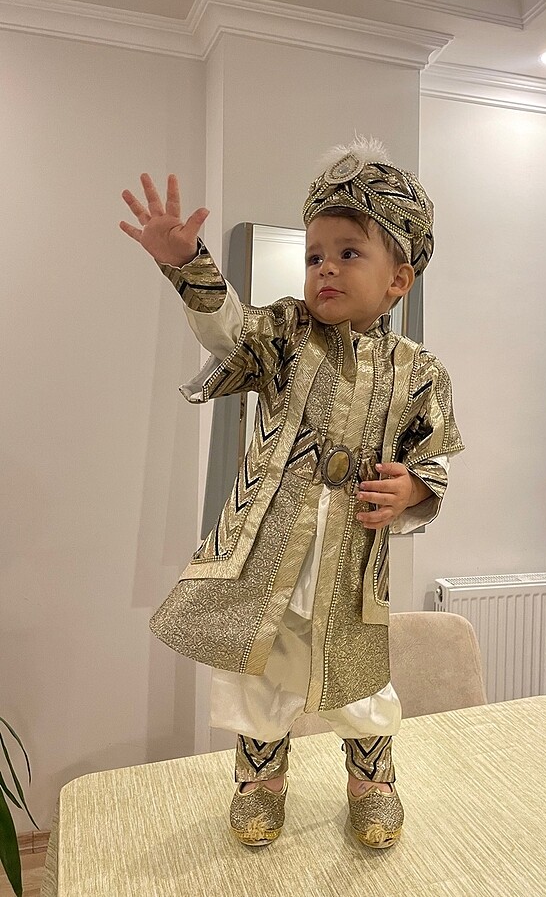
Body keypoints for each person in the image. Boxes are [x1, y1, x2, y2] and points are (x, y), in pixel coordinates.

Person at [119, 136, 463, 849]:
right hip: (268, 548)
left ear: (399, 279)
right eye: (314, 256)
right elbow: (227, 331)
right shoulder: (283, 334)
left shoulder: (421, 371)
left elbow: (433, 460)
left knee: (359, 678)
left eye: (348, 253)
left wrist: (412, 490)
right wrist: (186, 263)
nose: (325, 268)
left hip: (354, 561)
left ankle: (372, 783)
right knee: (261, 672)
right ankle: (260, 781)